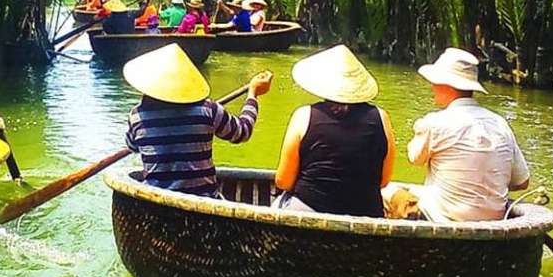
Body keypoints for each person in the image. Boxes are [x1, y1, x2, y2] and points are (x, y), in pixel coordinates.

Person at [387, 48, 530, 222]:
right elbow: (522, 182)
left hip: (443, 218)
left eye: (435, 82)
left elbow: (414, 158)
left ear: (447, 85)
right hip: (495, 219)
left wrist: (419, 129)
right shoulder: (500, 123)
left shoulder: (435, 122)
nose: (432, 87)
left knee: (387, 190)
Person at [123, 44, 272, 196]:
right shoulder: (208, 109)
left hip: (155, 200)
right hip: (203, 197)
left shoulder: (136, 116)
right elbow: (243, 132)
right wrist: (253, 94)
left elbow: (132, 146)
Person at [271, 45, 395, 217]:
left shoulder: (303, 116)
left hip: (309, 211)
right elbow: (384, 180)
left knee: (278, 203)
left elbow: (283, 181)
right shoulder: (382, 117)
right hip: (366, 213)